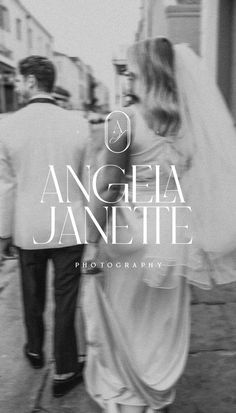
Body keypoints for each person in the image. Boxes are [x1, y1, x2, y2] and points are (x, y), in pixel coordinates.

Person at [81, 37, 236, 413]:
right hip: (173, 233)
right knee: (162, 320)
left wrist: (90, 242)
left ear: (149, 73)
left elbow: (108, 185)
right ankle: (157, 390)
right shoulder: (190, 120)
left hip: (130, 234)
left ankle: (130, 394)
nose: (127, 80)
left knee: (126, 316)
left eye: (132, 73)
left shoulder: (123, 120)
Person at [0, 56, 88, 397]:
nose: (17, 87)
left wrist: (4, 233)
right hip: (70, 225)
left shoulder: (7, 125)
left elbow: (6, 185)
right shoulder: (77, 123)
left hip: (28, 227)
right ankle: (65, 370)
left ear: (32, 81)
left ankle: (35, 350)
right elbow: (87, 180)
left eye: (20, 81)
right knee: (66, 301)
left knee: (32, 295)